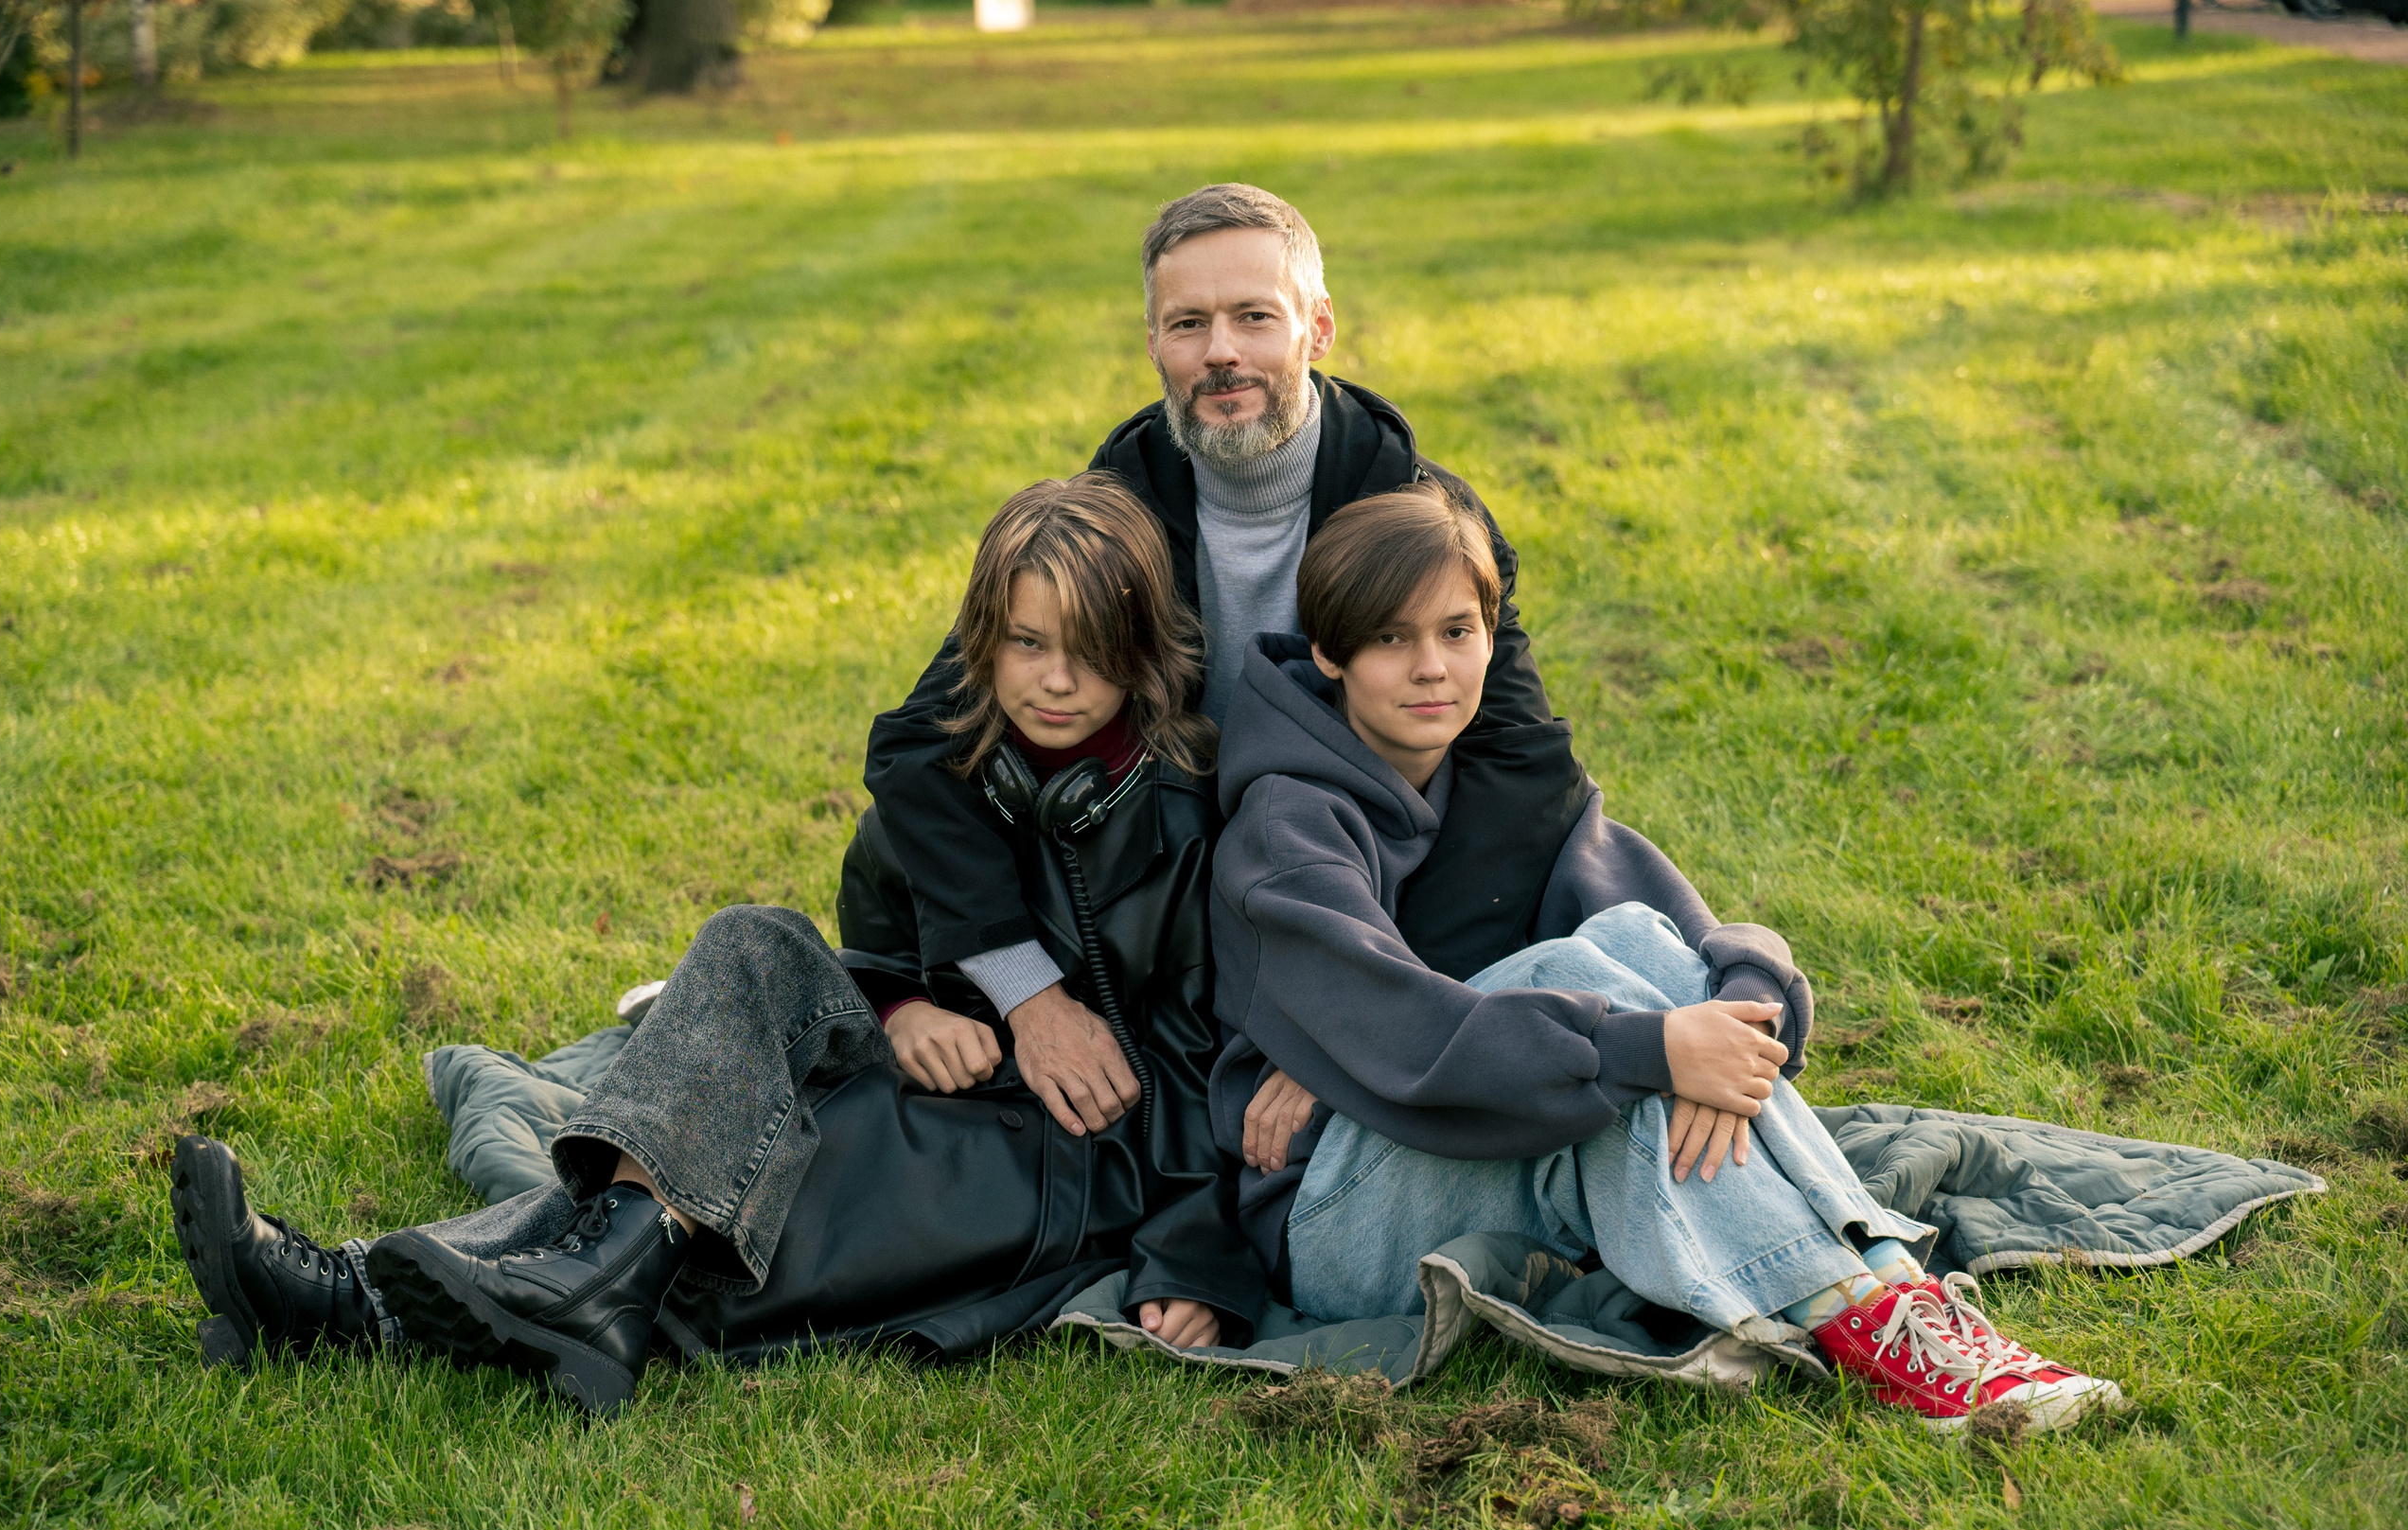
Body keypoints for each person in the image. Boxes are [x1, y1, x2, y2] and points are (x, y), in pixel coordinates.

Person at [168, 473, 1266, 1413]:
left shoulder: (1184, 818)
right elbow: (879, 940)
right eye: (1026, 643)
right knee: (748, 955)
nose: (1055, 680)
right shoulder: (955, 787)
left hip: (1087, 1148)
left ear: (1143, 652)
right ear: (982, 642)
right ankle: (567, 1279)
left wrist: (1192, 1256)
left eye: (1088, 651)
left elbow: (1216, 1064)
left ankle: (344, 1298)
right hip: (951, 1071)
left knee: (758, 1183)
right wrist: (905, 1009)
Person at [1207, 484, 2120, 1436]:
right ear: (1329, 652)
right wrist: (1649, 1049)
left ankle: (1884, 1298)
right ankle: (1876, 1319)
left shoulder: (1490, 772)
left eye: (1457, 631)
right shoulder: (1288, 823)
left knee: (1630, 953)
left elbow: (1691, 939)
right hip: (1326, 1222)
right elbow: (1415, 1034)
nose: (1432, 668)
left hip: (1447, 1149)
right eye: (1392, 639)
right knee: (1584, 994)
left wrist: (1744, 997)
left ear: (1490, 635)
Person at [862, 184, 1596, 1168]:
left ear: (1318, 328)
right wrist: (1030, 998)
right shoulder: (1108, 518)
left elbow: (1520, 769)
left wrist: (1369, 1014)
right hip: (1155, 906)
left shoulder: (1418, 518)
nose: (1222, 352)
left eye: (1255, 317)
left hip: (1355, 886)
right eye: (1188, 323)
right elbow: (925, 740)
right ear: (1153, 342)